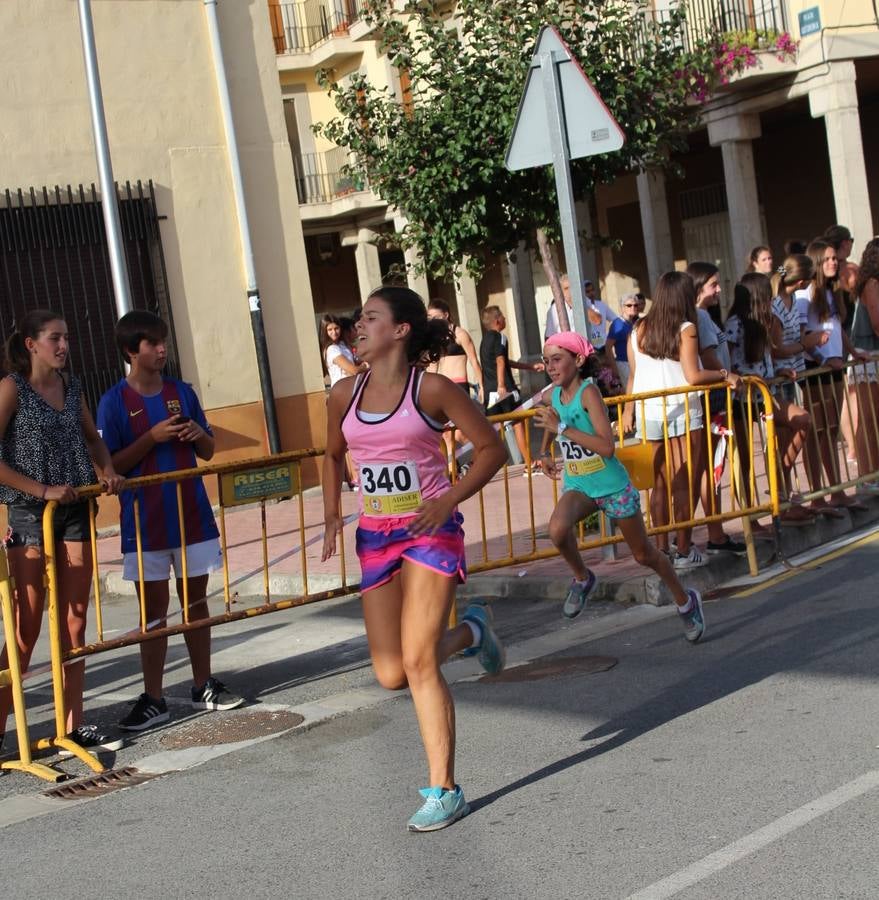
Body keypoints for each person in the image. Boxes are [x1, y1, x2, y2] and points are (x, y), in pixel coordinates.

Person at [321, 285, 507, 832]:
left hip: (430, 531)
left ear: (400, 330)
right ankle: (474, 631)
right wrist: (333, 511)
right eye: (358, 318)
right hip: (376, 536)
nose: (357, 326)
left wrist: (446, 498)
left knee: (421, 661)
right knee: (391, 673)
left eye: (370, 318)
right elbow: (332, 455)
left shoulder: (434, 390)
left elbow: (492, 448)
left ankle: (444, 790)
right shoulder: (342, 396)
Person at [97, 311, 244, 733]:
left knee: (195, 602)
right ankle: (154, 698)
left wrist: (197, 433)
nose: (162, 349)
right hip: (145, 522)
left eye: (164, 342)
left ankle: (203, 684)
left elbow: (210, 451)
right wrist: (150, 438)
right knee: (154, 612)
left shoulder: (182, 392)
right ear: (131, 351)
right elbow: (109, 466)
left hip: (192, 514)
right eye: (152, 343)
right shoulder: (113, 402)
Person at [0, 309, 125, 753]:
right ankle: (1, 724)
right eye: (55, 338)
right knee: (26, 625)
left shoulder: (72, 388)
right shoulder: (12, 389)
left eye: (66, 337)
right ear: (31, 344)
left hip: (74, 511)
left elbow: (92, 438)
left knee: (75, 619)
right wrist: (41, 489)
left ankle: (72, 724)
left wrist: (107, 469)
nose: (64, 346)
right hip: (30, 515)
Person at [533, 331, 705, 640]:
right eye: (546, 361)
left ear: (579, 360)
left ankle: (685, 600)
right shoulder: (552, 395)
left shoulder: (589, 394)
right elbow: (546, 413)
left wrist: (562, 429)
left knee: (644, 555)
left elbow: (607, 447)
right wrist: (545, 449)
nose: (551, 367)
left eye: (557, 359)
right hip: (580, 486)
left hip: (612, 487)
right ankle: (582, 578)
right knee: (557, 529)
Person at [622, 271, 742, 569]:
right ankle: (684, 548)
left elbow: (634, 376)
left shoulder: (638, 328)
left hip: (650, 412)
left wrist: (627, 410)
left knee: (660, 485)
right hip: (684, 411)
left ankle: (661, 548)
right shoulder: (686, 328)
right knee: (684, 483)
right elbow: (694, 376)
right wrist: (725, 375)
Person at [726, 273, 816, 524]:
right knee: (745, 461)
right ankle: (750, 520)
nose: (772, 298)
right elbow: (730, 363)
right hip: (742, 400)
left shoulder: (763, 320)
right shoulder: (735, 323)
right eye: (767, 294)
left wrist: (777, 371)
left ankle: (778, 487)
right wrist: (747, 378)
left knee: (801, 420)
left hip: (766, 395)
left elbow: (766, 357)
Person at [793, 240, 868, 516]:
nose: (834, 263)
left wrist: (851, 353)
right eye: (827, 259)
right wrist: (825, 359)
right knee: (818, 432)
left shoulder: (831, 292)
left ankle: (836, 490)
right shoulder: (806, 294)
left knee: (831, 430)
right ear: (815, 263)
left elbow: (837, 329)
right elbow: (803, 338)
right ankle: (818, 495)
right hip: (816, 370)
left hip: (834, 368)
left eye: (835, 258)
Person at [687, 261, 746, 557]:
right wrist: (728, 376)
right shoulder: (698, 316)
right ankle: (709, 533)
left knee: (710, 468)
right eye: (713, 284)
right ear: (699, 288)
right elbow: (709, 358)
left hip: (718, 397)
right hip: (712, 399)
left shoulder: (706, 316)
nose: (719, 290)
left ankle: (713, 531)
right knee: (709, 468)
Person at [426, 298, 484, 476]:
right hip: (441, 386)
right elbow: (432, 365)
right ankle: (453, 470)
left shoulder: (460, 334)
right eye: (429, 317)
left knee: (460, 433)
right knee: (445, 434)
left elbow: (474, 361)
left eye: (435, 316)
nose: (432, 320)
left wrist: (482, 386)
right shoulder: (435, 338)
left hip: (458, 385)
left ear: (446, 314)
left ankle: (482, 454)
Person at [480, 305, 544, 465]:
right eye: (502, 316)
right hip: (505, 390)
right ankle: (529, 464)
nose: (505, 319)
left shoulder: (484, 340)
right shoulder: (500, 337)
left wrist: (529, 367)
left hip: (490, 392)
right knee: (518, 424)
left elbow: (504, 362)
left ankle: (478, 464)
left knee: (489, 430)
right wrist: (502, 385)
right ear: (497, 321)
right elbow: (501, 361)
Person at [849, 239, 879, 487]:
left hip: (873, 354)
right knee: (868, 418)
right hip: (867, 354)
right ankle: (867, 476)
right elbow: (877, 321)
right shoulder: (871, 283)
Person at [604, 292, 642, 388]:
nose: (633, 307)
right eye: (629, 305)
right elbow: (608, 347)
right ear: (623, 307)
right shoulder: (617, 324)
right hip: (624, 364)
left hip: (637, 363)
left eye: (635, 305)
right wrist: (615, 369)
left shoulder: (636, 323)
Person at [320, 313, 365, 388]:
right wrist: (365, 366)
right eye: (330, 330)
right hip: (341, 390)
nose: (334, 332)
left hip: (352, 387)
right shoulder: (332, 349)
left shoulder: (342, 345)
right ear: (324, 331)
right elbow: (354, 370)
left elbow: (354, 364)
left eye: (336, 328)